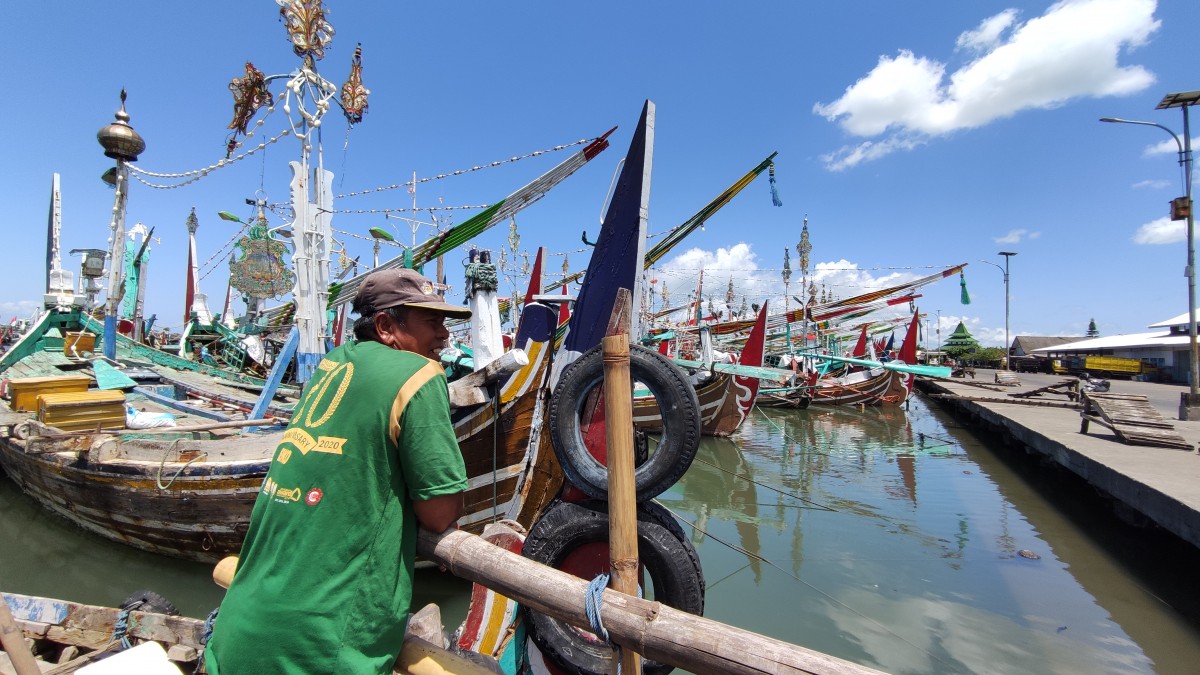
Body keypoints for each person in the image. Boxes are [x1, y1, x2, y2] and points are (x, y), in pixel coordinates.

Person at [204, 268, 471, 674]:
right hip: (317, 650)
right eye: (431, 321)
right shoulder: (417, 375)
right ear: (385, 326)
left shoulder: (332, 364)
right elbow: (440, 511)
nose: (444, 335)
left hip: (237, 632)